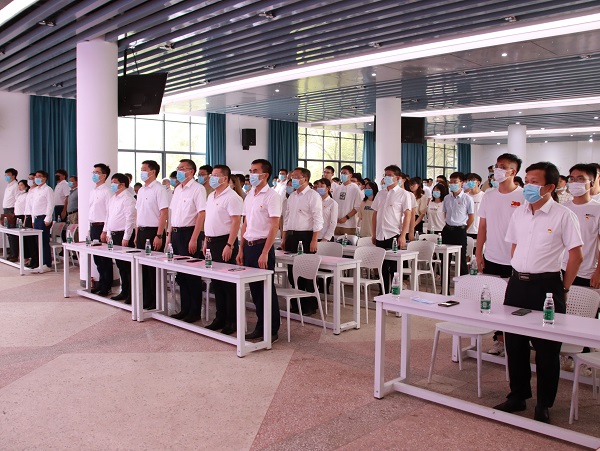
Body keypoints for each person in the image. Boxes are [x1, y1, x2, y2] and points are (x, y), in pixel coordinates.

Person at [494, 161, 583, 424]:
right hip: (517, 285)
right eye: (527, 180)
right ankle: (518, 395)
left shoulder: (563, 215)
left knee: (547, 349)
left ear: (550, 187)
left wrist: (564, 288)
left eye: (535, 182)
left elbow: (576, 255)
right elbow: (515, 246)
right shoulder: (520, 212)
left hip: (547, 286)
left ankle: (544, 403)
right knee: (515, 344)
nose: (528, 186)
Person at [475, 153, 524, 357]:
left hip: (516, 259)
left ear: (513, 172)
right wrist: (479, 253)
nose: (498, 170)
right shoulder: (489, 195)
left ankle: (515, 342)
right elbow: (482, 227)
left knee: (514, 302)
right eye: (496, 166)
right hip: (492, 256)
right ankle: (499, 340)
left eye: (503, 166)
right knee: (494, 300)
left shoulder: (523, 196)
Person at [237, 158, 281, 342]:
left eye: (255, 171)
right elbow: (245, 224)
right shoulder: (250, 195)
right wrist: (240, 249)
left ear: (265, 175)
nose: (251, 174)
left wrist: (264, 252)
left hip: (262, 247)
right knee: (255, 291)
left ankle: (272, 329)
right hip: (248, 246)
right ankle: (260, 326)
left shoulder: (272, 196)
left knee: (266, 290)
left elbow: (274, 226)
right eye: (250, 170)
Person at [203, 165, 243, 334]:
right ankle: (219, 318)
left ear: (225, 178)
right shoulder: (211, 195)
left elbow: (236, 222)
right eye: (211, 175)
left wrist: (230, 245)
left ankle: (232, 321)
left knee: (228, 285)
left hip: (225, 242)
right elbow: (209, 220)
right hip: (211, 242)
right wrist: (206, 241)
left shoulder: (232, 197)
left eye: (215, 175)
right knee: (217, 284)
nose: (211, 178)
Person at [164, 159, 206, 322]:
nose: (179, 171)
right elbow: (173, 214)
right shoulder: (177, 190)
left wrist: (194, 238)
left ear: (191, 171)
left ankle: (194, 312)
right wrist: (169, 236)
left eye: (182, 168)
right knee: (181, 275)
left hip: (190, 233)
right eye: (178, 168)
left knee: (192, 275)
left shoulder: (198, 189)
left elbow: (201, 214)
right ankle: (184, 309)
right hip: (176, 234)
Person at [282, 167, 324, 315]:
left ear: (305, 179)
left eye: (296, 176)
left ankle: (310, 305)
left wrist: (314, 239)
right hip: (292, 236)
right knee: (292, 273)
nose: (292, 179)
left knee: (307, 274)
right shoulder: (292, 196)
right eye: (292, 176)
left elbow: (318, 219)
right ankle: (296, 304)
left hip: (306, 236)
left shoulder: (313, 195)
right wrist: (284, 237)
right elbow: (286, 218)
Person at [371, 165, 411, 293]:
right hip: (380, 234)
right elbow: (375, 214)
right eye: (385, 175)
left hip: (393, 234)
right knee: (381, 266)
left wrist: (403, 235)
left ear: (397, 178)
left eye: (389, 175)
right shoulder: (380, 193)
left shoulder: (403, 194)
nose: (386, 178)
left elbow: (408, 215)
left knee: (394, 267)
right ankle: (383, 291)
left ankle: (395, 292)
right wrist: (373, 233)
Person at [136, 160, 169, 310]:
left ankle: (157, 302)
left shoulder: (159, 189)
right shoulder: (141, 190)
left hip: (154, 232)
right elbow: (139, 213)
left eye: (144, 169)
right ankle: (146, 299)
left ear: (153, 171)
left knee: (153, 270)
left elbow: (164, 213)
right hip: (141, 231)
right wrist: (136, 235)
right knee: (143, 268)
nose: (142, 172)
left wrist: (159, 235)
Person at [561, 164, 600, 288]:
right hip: (562, 268)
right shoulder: (563, 208)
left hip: (587, 273)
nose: (575, 183)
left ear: (591, 183)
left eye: (580, 179)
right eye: (572, 179)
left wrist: (598, 272)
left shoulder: (597, 209)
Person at [101, 173, 136, 304]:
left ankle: (132, 294)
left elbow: (130, 219)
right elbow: (109, 217)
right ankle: (124, 291)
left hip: (124, 236)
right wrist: (107, 233)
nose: (112, 184)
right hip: (114, 235)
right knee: (121, 266)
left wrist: (126, 237)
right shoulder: (113, 198)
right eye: (112, 182)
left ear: (122, 184)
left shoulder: (128, 198)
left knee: (128, 267)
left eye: (115, 182)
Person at [441, 172, 474, 276]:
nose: (452, 184)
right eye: (451, 182)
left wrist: (463, 228)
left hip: (460, 230)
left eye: (455, 182)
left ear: (462, 183)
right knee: (445, 258)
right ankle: (444, 283)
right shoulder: (447, 198)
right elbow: (445, 213)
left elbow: (471, 217)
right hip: (447, 230)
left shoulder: (467, 198)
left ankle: (463, 283)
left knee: (461, 259)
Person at [89, 163, 112, 296]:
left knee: (105, 259)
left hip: (102, 227)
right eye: (93, 172)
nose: (94, 175)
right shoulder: (93, 191)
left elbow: (109, 213)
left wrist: (105, 231)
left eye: (97, 172)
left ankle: (107, 286)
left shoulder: (107, 191)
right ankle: (101, 283)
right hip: (93, 226)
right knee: (97, 258)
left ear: (104, 175)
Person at [27, 170, 54, 272]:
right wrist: (33, 219)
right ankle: (40, 262)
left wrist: (48, 218)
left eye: (39, 176)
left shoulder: (48, 189)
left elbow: (50, 204)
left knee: (43, 241)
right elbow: (33, 206)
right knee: (37, 242)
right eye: (36, 176)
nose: (36, 178)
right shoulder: (36, 190)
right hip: (36, 218)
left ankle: (46, 264)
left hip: (44, 218)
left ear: (44, 178)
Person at [333, 165, 362, 236]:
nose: (342, 175)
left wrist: (346, 218)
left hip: (349, 225)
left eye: (345, 173)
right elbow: (334, 205)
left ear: (350, 175)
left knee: (348, 242)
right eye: (341, 173)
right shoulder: (337, 188)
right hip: (336, 224)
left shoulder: (355, 189)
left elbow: (357, 207)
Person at [314, 178, 338, 242]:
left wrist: (326, 238)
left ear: (328, 188)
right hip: (314, 236)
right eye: (318, 186)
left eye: (321, 186)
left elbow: (333, 222)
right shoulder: (315, 202)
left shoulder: (332, 203)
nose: (319, 188)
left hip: (325, 237)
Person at [3, 167, 19, 261]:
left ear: (13, 176)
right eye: (5, 175)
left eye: (8, 175)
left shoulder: (15, 185)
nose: (6, 177)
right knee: (8, 232)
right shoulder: (9, 185)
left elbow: (17, 199)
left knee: (12, 233)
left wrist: (14, 212)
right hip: (6, 210)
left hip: (11, 210)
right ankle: (12, 252)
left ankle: (15, 254)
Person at [11, 180, 29, 262]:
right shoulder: (19, 195)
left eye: (21, 185)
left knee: (24, 238)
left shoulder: (27, 195)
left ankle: (26, 257)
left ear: (26, 186)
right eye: (19, 185)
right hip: (17, 216)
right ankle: (20, 255)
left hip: (23, 216)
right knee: (17, 237)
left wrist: (25, 220)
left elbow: (26, 208)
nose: (19, 187)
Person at [464, 172, 484, 239]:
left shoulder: (483, 196)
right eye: (469, 180)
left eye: (472, 180)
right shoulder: (465, 196)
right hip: (466, 229)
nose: (470, 182)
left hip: (478, 230)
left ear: (478, 182)